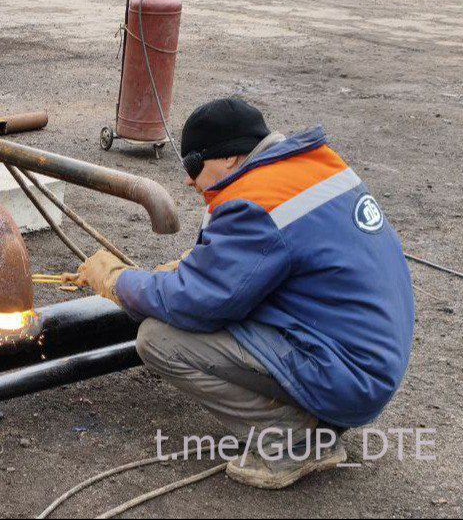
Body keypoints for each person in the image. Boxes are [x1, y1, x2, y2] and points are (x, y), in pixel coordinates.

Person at [76, 98, 415, 489]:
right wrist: (193, 267)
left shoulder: (257, 205)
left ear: (229, 159)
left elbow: (196, 302)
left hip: (349, 376)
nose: (188, 180)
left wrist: (117, 281)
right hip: (368, 354)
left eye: (193, 166)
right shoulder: (310, 166)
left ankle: (294, 442)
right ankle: (313, 418)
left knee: (158, 339)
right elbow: (281, 257)